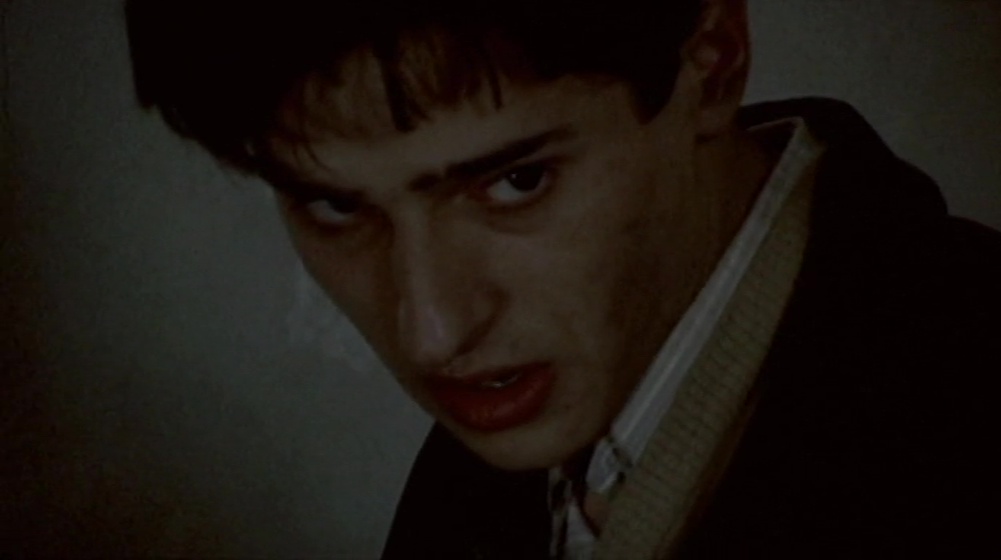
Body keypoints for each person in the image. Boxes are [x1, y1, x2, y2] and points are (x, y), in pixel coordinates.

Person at [125, 0, 1001, 558]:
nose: (432, 330)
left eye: (517, 181)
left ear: (710, 67)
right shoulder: (500, 447)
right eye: (333, 207)